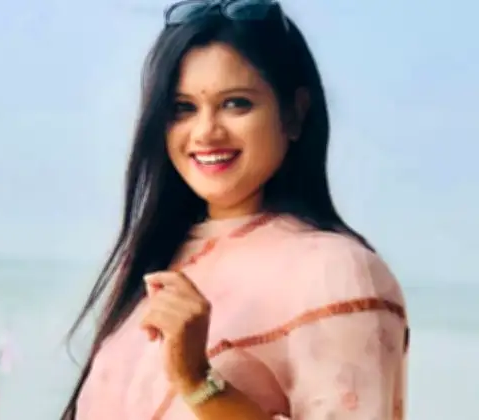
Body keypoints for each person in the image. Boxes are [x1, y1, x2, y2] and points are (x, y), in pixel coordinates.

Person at [62, 1, 409, 419]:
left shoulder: (336, 273)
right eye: (183, 108)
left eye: (236, 103)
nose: (206, 132)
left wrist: (199, 382)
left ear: (295, 114)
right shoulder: (159, 260)